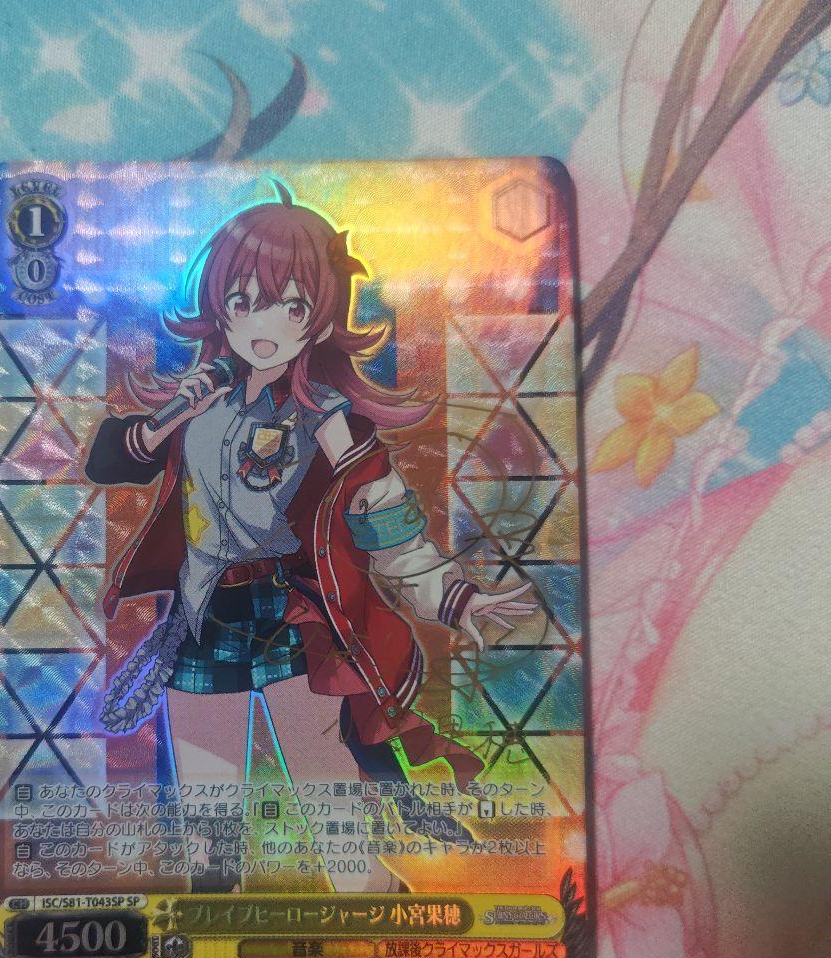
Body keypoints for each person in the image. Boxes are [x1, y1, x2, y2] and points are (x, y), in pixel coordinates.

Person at [85, 181, 536, 889]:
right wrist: (171, 417)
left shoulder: (331, 424)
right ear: (219, 308)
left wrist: (452, 597)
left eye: (290, 305)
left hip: (292, 619)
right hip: (200, 617)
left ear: (319, 321)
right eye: (243, 301)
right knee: (208, 840)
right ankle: (216, 930)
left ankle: (374, 908)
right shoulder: (199, 402)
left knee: (337, 824)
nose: (262, 322)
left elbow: (387, 524)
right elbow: (109, 462)